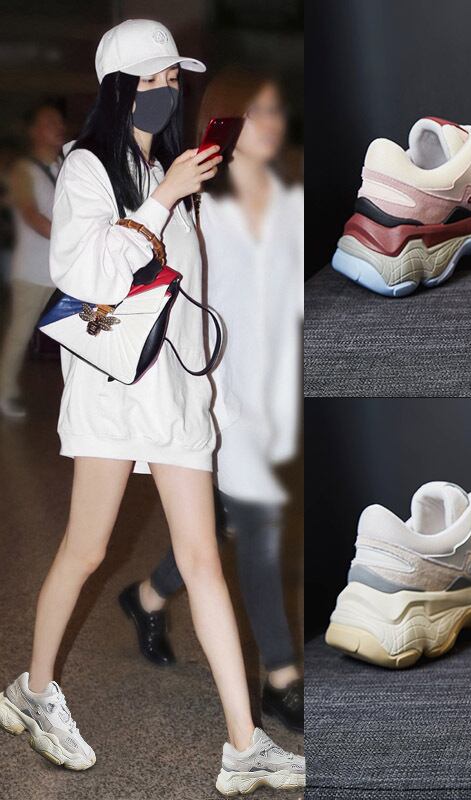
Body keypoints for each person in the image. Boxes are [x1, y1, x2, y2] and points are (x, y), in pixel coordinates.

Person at [0, 20, 303, 796]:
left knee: (202, 560)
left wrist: (214, 394)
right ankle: (33, 691)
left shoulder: (169, 169)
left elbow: (193, 297)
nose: (170, 91)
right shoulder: (86, 168)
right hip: (113, 389)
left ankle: (245, 745)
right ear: (119, 90)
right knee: (86, 549)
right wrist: (162, 202)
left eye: (176, 79)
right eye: (156, 79)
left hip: (174, 396)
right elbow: (87, 273)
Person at [119, 67, 304, 733]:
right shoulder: (197, 207)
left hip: (268, 394)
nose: (273, 123)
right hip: (216, 391)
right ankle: (281, 677)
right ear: (225, 123)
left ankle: (146, 597)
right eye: (257, 112)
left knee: (223, 519)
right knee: (257, 527)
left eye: (277, 111)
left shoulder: (288, 201)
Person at [0, 101, 65, 418]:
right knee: (20, 334)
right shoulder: (23, 170)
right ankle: (4, 392)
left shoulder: (67, 166)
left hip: (66, 268)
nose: (59, 127)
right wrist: (73, 241)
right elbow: (31, 215)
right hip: (33, 270)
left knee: (82, 331)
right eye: (50, 122)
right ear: (34, 131)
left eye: (59, 121)